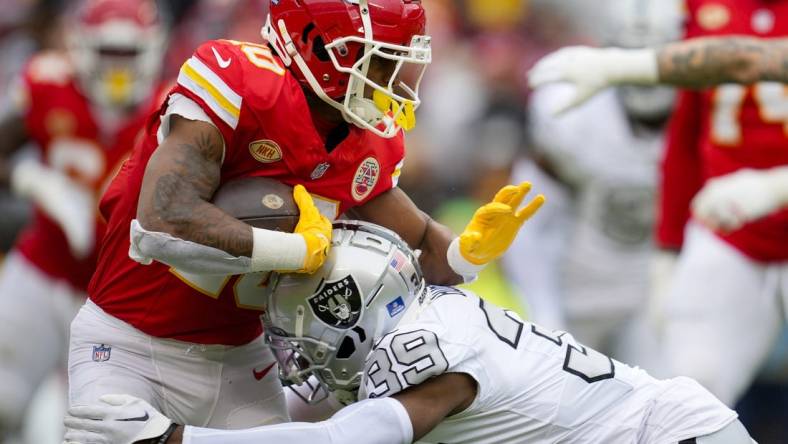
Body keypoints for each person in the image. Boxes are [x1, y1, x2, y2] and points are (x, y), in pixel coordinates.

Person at [68, 0, 545, 430]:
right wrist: (294, 250)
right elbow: (160, 222)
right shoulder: (239, 82)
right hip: (128, 344)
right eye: (379, 60)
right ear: (318, 46)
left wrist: (466, 254)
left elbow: (418, 248)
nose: (393, 80)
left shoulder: (362, 141)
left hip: (240, 362)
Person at [62, 221, 753, 444]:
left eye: (299, 317)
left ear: (346, 305)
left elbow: (346, 440)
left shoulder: (419, 351)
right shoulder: (431, 315)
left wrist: (180, 438)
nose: (291, 340)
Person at [530, 0, 788, 406]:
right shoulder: (702, 10)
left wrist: (775, 188)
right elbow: (727, 72)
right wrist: (668, 251)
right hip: (728, 230)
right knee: (690, 393)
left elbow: (752, 59)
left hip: (741, 205)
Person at [0, 0, 167, 441]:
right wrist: (30, 178)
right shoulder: (47, 83)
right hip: (44, 270)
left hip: (118, 295)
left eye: (128, 53)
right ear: (80, 47)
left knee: (89, 428)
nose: (118, 66)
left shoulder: (173, 106)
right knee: (4, 399)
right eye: (108, 52)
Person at [503, 0, 681, 370]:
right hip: (576, 296)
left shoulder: (706, 113)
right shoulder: (572, 111)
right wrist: (545, 312)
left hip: (655, 301)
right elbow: (527, 222)